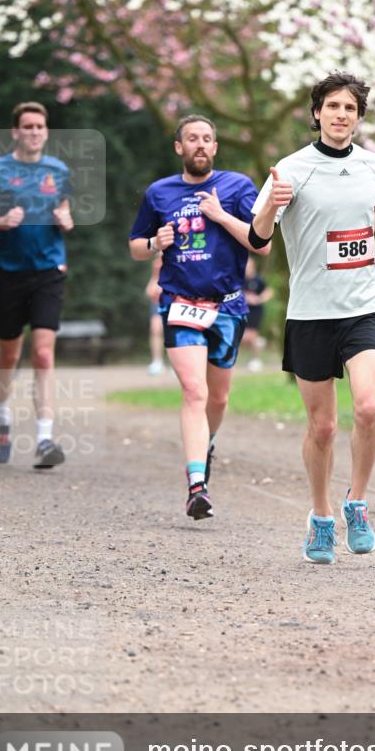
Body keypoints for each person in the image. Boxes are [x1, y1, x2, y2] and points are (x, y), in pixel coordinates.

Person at [250, 71, 375, 564]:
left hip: (364, 307)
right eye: (333, 106)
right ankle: (320, 517)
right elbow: (258, 239)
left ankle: (356, 502)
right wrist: (270, 207)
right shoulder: (289, 170)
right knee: (322, 428)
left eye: (350, 108)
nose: (342, 115)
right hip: (311, 314)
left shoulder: (373, 165)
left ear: (359, 118)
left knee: (368, 408)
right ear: (317, 112)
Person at [128, 115, 268, 520]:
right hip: (180, 303)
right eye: (192, 138)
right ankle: (196, 486)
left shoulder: (238, 186)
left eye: (207, 138)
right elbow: (136, 245)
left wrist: (222, 215)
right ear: (179, 147)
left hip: (226, 305)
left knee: (218, 397)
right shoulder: (160, 192)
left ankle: (205, 444)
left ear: (215, 147)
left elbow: (261, 243)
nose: (200, 145)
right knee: (194, 391)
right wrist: (155, 242)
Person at [0, 101, 74, 468]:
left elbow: (65, 213)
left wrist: (66, 219)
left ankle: (45, 440)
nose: (33, 132)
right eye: (27, 127)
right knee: (9, 355)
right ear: (15, 132)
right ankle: (2, 415)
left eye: (39, 127)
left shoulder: (58, 170)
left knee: (43, 354)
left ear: (46, 132)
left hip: (47, 272)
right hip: (7, 273)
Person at [241, 256, 274, 371]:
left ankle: (255, 360)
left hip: (256, 311)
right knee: (244, 337)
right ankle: (259, 343)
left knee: (251, 335)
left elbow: (269, 292)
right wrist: (246, 298)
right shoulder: (240, 280)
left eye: (249, 266)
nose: (247, 268)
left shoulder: (258, 279)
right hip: (242, 310)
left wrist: (259, 299)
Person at [145, 255, 166, 375]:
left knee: (174, 331)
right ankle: (157, 362)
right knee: (155, 329)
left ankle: (177, 364)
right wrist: (150, 288)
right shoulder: (157, 261)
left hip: (175, 299)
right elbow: (154, 278)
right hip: (158, 301)